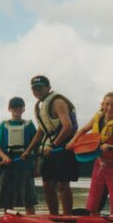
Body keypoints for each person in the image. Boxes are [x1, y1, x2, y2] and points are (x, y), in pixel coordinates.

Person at [22, 75, 78, 215]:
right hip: (51, 147)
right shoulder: (41, 106)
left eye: (40, 87)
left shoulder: (57, 102)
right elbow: (41, 132)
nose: (37, 91)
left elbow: (68, 127)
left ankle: (67, 217)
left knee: (63, 184)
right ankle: (54, 216)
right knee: (47, 184)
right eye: (34, 88)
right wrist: (28, 151)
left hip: (64, 146)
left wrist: (53, 146)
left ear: (48, 88)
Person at [67, 92, 113, 217]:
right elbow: (84, 129)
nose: (110, 108)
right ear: (102, 105)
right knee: (93, 203)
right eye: (107, 104)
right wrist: (72, 141)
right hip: (99, 164)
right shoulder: (98, 118)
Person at [0, 96, 37, 214]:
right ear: (9, 109)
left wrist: (37, 167)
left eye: (19, 106)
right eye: (14, 107)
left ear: (23, 109)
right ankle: (9, 222)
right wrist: (4, 157)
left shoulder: (30, 125)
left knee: (29, 199)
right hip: (7, 166)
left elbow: (36, 145)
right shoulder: (3, 125)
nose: (17, 109)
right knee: (7, 199)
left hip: (25, 165)